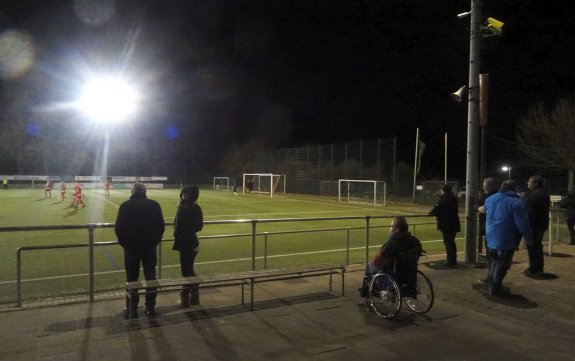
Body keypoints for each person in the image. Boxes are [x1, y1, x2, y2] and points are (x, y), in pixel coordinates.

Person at [115, 182, 165, 319]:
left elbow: (119, 228)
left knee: (131, 279)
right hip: (149, 248)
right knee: (151, 278)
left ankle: (132, 309)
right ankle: (150, 308)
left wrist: (125, 244)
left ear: (132, 191)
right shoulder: (154, 205)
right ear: (145, 191)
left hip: (131, 249)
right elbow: (161, 226)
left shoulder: (125, 206)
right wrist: (154, 242)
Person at [484, 180, 533, 296]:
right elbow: (522, 223)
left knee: (494, 262)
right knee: (502, 264)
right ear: (513, 189)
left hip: (490, 236)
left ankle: (492, 284)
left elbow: (487, 213)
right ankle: (495, 288)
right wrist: (529, 238)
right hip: (506, 238)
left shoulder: (490, 198)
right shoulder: (516, 202)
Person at [360, 216, 423, 297]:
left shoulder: (392, 242)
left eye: (391, 226)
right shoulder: (415, 240)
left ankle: (366, 292)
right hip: (410, 274)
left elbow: (378, 261)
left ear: (396, 228)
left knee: (370, 266)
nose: (390, 228)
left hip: (394, 276)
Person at [173, 185, 204, 307]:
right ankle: (193, 293)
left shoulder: (195, 208)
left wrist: (186, 227)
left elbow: (198, 226)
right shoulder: (180, 206)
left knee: (186, 270)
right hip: (182, 242)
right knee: (187, 269)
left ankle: (187, 295)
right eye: (183, 193)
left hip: (190, 243)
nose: (184, 195)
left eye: (186, 194)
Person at [522, 175, 550, 275]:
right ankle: (538, 268)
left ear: (535, 183)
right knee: (537, 246)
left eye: (529, 181)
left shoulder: (535, 194)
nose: (527, 183)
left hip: (534, 225)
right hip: (540, 224)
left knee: (533, 247)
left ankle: (533, 269)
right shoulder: (543, 193)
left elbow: (530, 211)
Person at [429, 184, 461, 267]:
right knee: (451, 242)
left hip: (446, 224)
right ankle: (452, 260)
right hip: (453, 223)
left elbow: (437, 207)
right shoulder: (453, 198)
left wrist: (432, 213)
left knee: (448, 242)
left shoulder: (444, 199)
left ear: (444, 190)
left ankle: (450, 261)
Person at [476, 178, 499, 281]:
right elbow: (476, 205)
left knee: (493, 254)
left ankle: (493, 278)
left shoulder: (497, 196)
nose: (484, 186)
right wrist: (478, 208)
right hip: (486, 227)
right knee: (490, 253)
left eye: (486, 185)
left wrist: (486, 209)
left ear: (492, 185)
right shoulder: (483, 195)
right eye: (483, 184)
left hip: (494, 228)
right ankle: (492, 276)